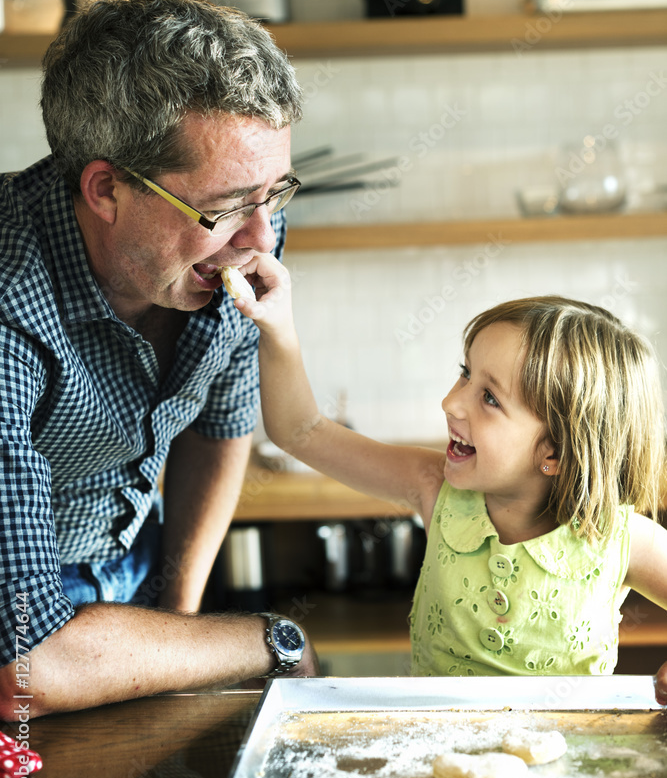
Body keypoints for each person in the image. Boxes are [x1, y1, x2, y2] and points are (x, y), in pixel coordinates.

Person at [0, 0, 319, 720]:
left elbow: (221, 421)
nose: (263, 240)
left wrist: (175, 629)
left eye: (276, 194)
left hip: (132, 597)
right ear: (106, 189)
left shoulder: (240, 238)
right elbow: (28, 667)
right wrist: (269, 639)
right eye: (228, 205)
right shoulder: (8, 300)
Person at [233, 254, 667, 692]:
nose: (451, 403)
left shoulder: (622, 538)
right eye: (464, 375)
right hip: (443, 752)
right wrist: (278, 328)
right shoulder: (432, 484)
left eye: (490, 398)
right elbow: (301, 432)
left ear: (554, 454)